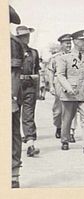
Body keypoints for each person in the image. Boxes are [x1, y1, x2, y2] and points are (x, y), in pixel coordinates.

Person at [56, 30, 84, 153]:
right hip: (70, 93)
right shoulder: (64, 58)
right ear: (74, 41)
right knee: (67, 119)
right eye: (81, 40)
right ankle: (65, 140)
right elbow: (60, 75)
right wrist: (68, 87)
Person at [48, 34, 77, 142]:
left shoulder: (75, 56)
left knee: (72, 108)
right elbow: (51, 72)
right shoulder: (56, 57)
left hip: (72, 83)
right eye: (66, 43)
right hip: (59, 82)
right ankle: (59, 127)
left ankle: (71, 131)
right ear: (61, 44)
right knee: (58, 110)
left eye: (70, 42)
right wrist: (51, 86)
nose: (69, 45)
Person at [16, 25, 40, 157]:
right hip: (16, 86)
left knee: (28, 116)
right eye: (23, 36)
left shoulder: (34, 53)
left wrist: (37, 88)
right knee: (14, 116)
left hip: (29, 86)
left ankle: (30, 144)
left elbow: (36, 71)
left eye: (27, 35)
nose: (27, 38)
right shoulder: (11, 52)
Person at [10, 5, 23, 188]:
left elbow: (13, 74)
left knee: (12, 133)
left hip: (7, 96)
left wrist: (11, 98)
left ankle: (13, 173)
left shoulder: (11, 43)